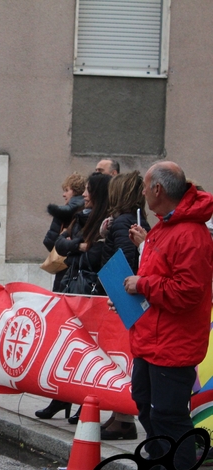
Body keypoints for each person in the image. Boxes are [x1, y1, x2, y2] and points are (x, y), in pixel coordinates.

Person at [116, 162, 213, 470]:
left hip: (173, 343)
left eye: (144, 186)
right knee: (147, 405)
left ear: (158, 190)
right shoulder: (166, 227)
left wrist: (141, 285)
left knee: (170, 417)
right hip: (152, 337)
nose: (141, 192)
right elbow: (161, 280)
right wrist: (132, 296)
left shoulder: (190, 234)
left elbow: (187, 292)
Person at [38, 172, 111, 424]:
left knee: (87, 350)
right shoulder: (81, 216)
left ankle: (86, 403)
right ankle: (61, 397)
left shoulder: (105, 222)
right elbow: (58, 242)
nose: (84, 195)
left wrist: (76, 248)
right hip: (71, 286)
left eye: (88, 191)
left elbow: (96, 254)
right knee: (65, 346)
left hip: (90, 293)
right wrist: (78, 246)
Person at [95, 171, 152, 441]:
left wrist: (122, 294)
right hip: (133, 298)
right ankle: (119, 416)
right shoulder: (130, 221)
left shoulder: (122, 223)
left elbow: (126, 260)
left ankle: (123, 419)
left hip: (126, 300)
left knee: (119, 358)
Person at [43, 172, 86, 292]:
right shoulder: (90, 209)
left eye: (67, 190)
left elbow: (49, 241)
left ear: (75, 191)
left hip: (64, 266)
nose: (64, 194)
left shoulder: (62, 212)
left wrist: (63, 244)